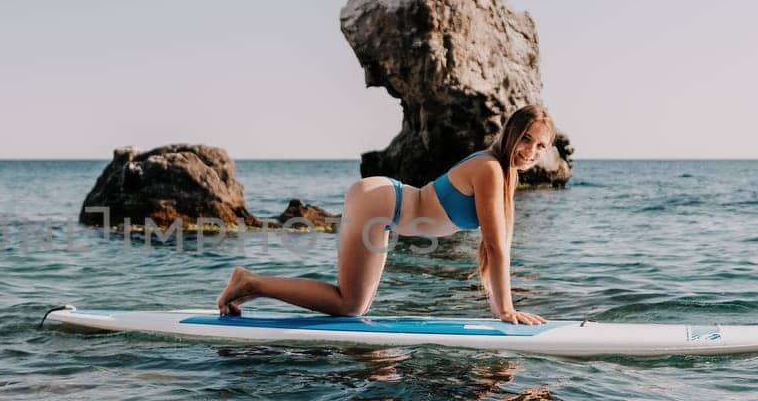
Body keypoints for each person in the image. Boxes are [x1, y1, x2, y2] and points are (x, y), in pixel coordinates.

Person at [215, 104, 555, 324]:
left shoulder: (501, 173)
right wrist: (505, 311)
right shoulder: (490, 170)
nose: (531, 151)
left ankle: (253, 287)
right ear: (510, 132)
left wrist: (501, 309)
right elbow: (495, 247)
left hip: (383, 204)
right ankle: (250, 281)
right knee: (349, 305)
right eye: (526, 139)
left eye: (540, 146)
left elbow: (496, 248)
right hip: (382, 204)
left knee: (354, 306)